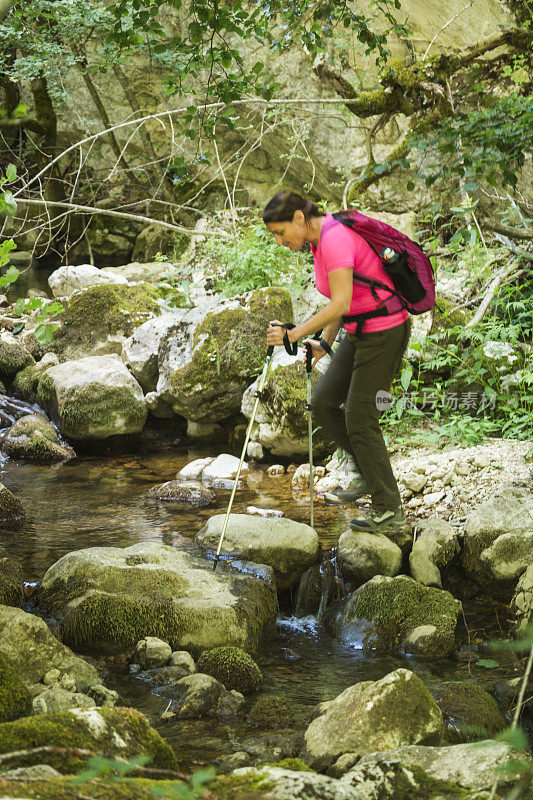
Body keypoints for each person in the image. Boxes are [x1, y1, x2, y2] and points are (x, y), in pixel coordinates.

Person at [264, 190, 411, 532]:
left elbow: (341, 302)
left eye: (280, 232)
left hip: (385, 331)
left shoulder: (334, 238)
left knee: (360, 419)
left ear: (299, 218)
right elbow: (340, 299)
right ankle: (367, 475)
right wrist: (324, 343)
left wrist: (294, 334)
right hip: (358, 331)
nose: (279, 241)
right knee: (324, 402)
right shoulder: (317, 243)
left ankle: (389, 509)